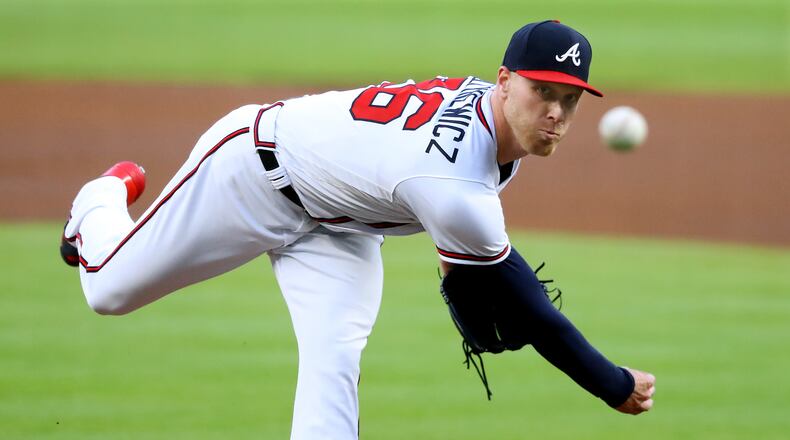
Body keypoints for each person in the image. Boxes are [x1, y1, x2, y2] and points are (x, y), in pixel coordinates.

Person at [61, 20, 655, 440]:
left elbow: (460, 250)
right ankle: (101, 197)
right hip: (251, 171)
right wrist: (612, 382)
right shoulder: (456, 182)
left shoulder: (494, 131)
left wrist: (471, 279)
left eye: (569, 100)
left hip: (340, 228)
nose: (555, 112)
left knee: (335, 360)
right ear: (503, 81)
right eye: (541, 92)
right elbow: (527, 305)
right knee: (106, 291)